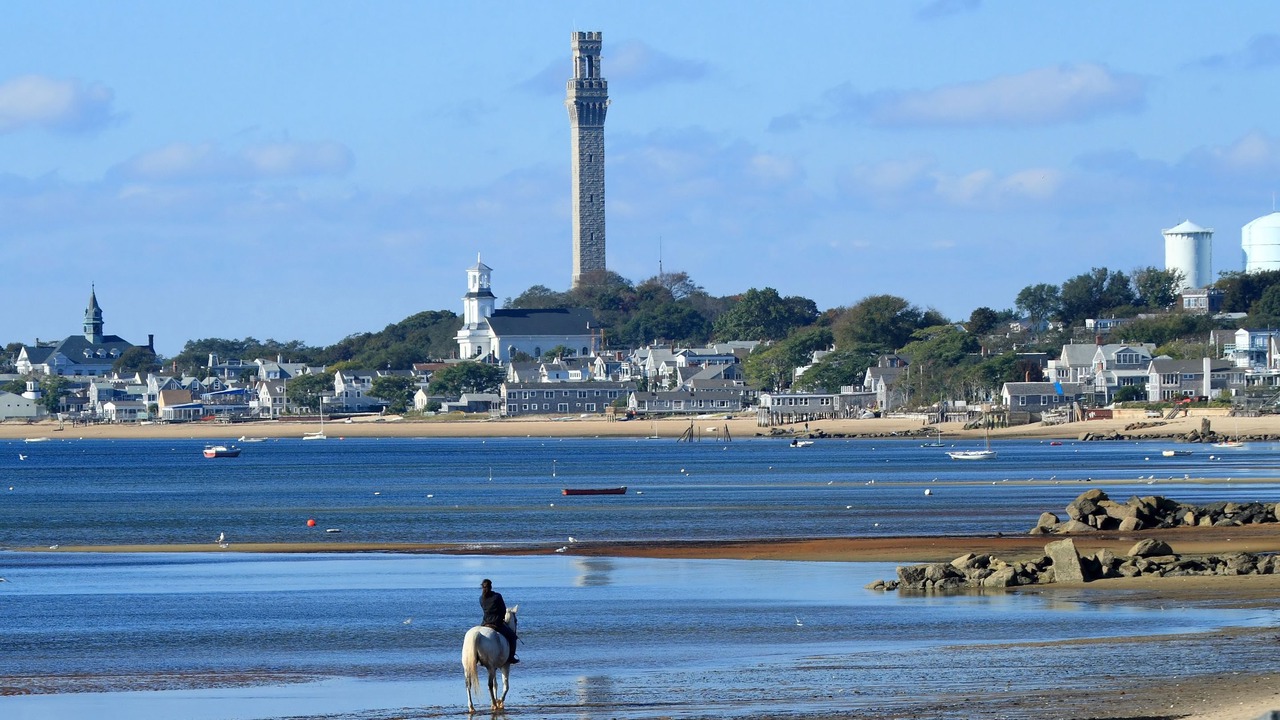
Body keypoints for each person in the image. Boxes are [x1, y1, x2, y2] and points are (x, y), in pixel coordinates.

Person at [479, 578, 518, 664]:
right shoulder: (497, 596)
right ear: (491, 586)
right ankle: (511, 657)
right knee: (512, 637)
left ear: (482, 587)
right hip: (497, 623)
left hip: (485, 623)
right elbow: (503, 610)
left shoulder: (481, 599)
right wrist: (501, 618)